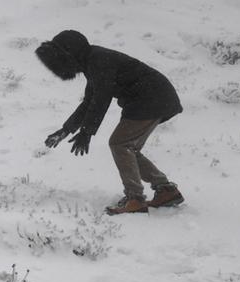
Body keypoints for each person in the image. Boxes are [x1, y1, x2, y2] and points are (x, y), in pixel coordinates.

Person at [35, 29, 184, 215]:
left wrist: (87, 132)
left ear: (70, 54)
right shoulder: (93, 61)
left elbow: (101, 99)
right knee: (127, 148)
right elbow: (89, 101)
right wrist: (66, 130)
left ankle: (135, 199)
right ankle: (166, 190)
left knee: (120, 144)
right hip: (156, 98)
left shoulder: (98, 62)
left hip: (151, 99)